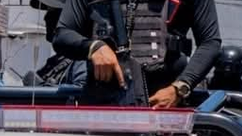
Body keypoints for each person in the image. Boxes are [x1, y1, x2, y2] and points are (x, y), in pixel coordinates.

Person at [53, 0, 221, 107]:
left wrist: (179, 88)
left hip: (165, 106)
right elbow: (62, 34)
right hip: (103, 104)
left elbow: (210, 43)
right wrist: (94, 47)